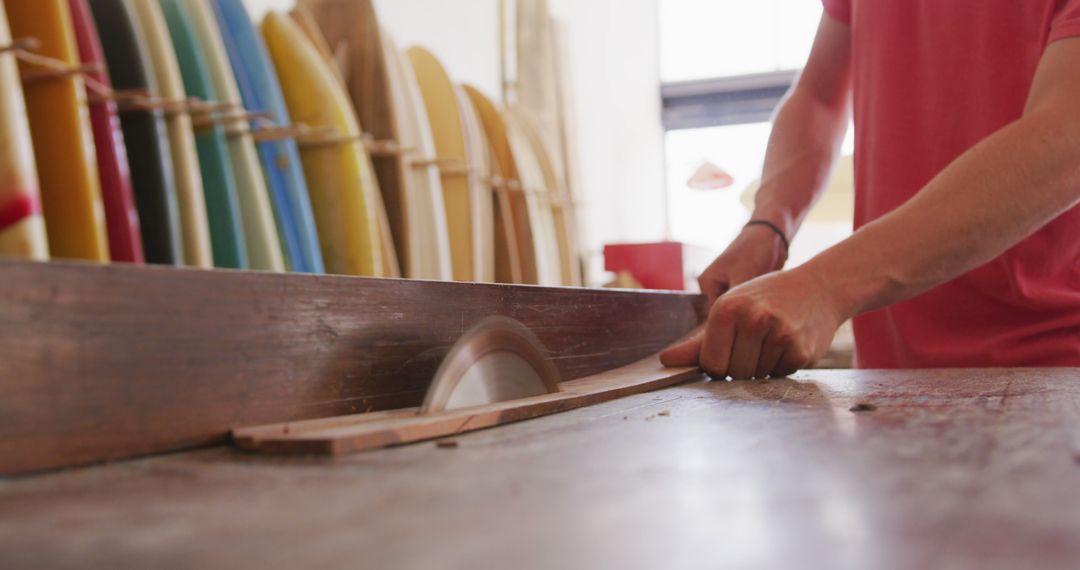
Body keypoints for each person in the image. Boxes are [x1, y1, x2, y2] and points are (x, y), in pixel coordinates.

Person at [661, 0, 1080, 378]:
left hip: (1053, 372)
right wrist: (769, 225)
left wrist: (825, 285)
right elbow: (820, 95)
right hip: (888, 377)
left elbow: (1068, 132)